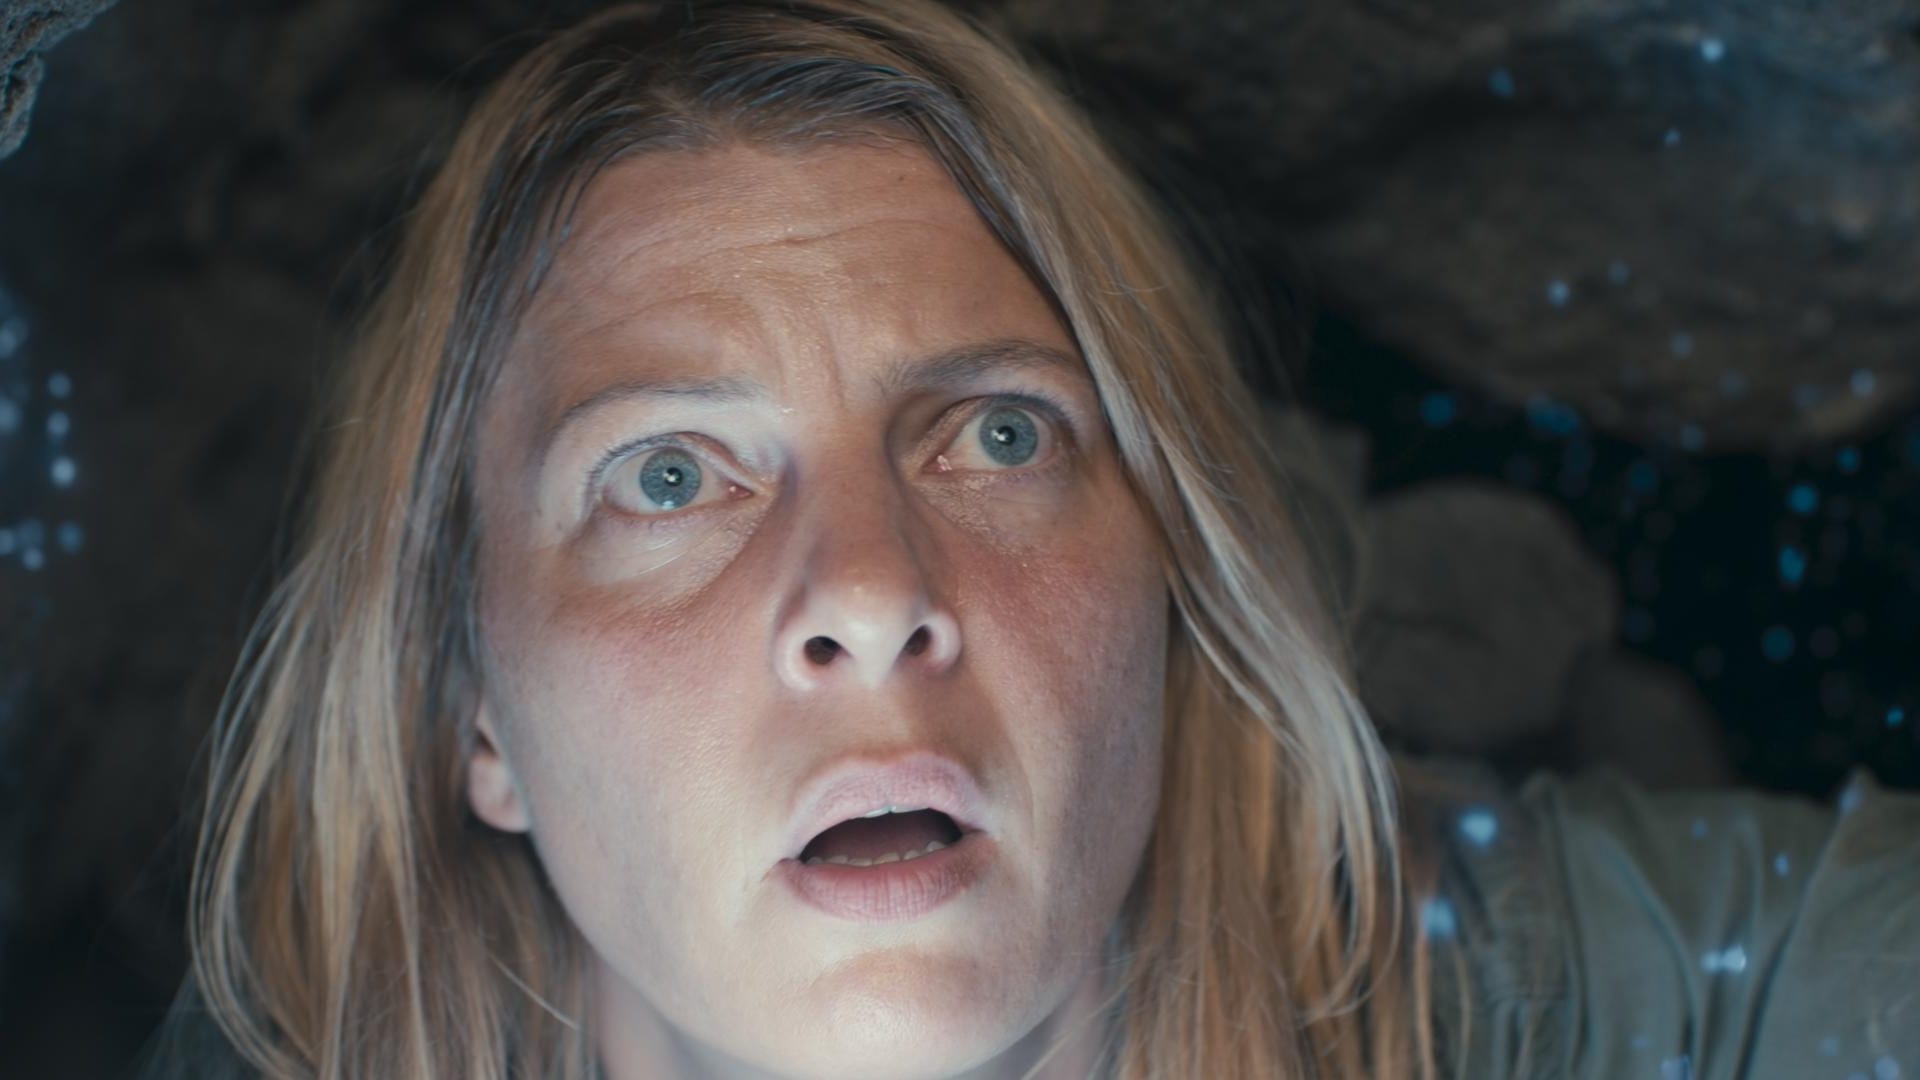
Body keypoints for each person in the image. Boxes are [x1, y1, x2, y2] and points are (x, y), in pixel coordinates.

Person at [137, 1, 1920, 1077]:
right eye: (667, 478)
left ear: (1174, 574)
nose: (869, 593)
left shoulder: (1499, 986)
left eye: (998, 435)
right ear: (473, 713)